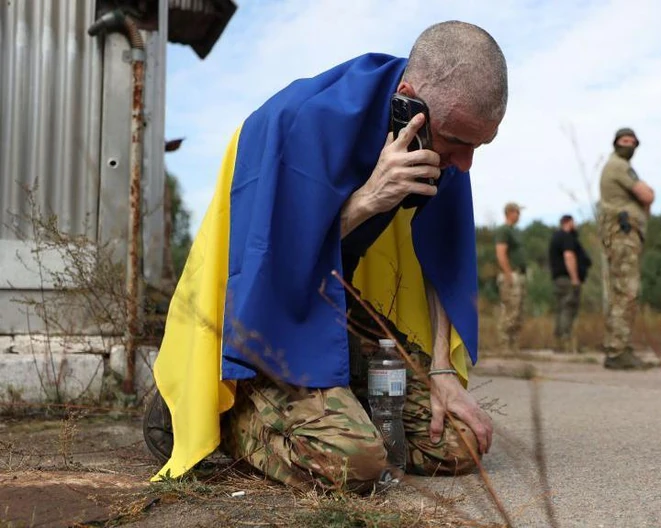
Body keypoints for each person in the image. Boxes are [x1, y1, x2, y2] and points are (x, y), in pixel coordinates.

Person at [145, 21, 508, 493]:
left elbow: (443, 256)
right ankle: (218, 412)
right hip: (259, 314)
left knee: (459, 443)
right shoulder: (301, 120)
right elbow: (271, 264)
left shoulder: (438, 137)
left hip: (333, 301)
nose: (465, 163)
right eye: (458, 143)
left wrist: (441, 371)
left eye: (479, 146)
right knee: (354, 463)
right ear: (409, 100)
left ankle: (338, 407)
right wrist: (368, 200)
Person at [598, 128, 655, 370]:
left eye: (633, 142)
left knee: (622, 291)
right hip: (622, 236)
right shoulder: (619, 166)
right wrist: (647, 196)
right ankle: (617, 350)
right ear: (616, 143)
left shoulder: (618, 165)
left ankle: (619, 347)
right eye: (624, 140)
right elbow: (647, 196)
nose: (628, 145)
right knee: (626, 292)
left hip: (623, 237)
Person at [548, 215, 591, 353]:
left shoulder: (556, 237)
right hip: (567, 278)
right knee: (568, 308)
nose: (575, 225)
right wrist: (574, 278)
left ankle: (559, 343)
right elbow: (569, 256)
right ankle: (566, 342)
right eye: (574, 222)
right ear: (568, 223)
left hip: (558, 279)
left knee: (561, 309)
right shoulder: (566, 237)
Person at [494, 202, 527, 353]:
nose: (519, 215)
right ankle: (504, 345)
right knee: (510, 310)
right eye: (517, 212)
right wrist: (508, 274)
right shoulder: (504, 230)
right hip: (510, 274)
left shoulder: (515, 231)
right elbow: (501, 252)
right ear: (509, 212)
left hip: (519, 274)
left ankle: (513, 345)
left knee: (518, 311)